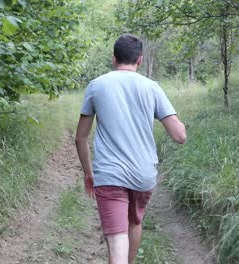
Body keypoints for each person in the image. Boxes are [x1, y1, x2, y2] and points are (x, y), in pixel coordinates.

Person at [75, 34, 187, 264]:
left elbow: (80, 137)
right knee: (134, 223)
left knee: (117, 241)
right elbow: (180, 136)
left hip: (110, 174)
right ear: (140, 60)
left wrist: (88, 173)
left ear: (114, 59)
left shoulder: (97, 85)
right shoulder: (152, 87)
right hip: (143, 174)